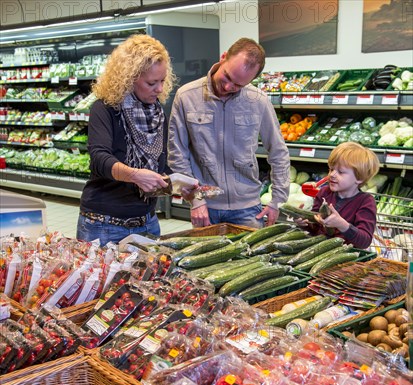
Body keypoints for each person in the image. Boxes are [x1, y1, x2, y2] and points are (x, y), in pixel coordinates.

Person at [168, 37, 290, 229]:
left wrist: (277, 200)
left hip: (248, 209)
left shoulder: (258, 101)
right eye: (227, 77)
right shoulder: (186, 96)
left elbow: (278, 151)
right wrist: (195, 199)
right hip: (206, 207)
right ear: (223, 57)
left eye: (238, 85)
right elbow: (177, 154)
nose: (228, 87)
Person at [76, 35, 175, 247]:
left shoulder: (157, 114)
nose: (159, 89)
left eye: (162, 81)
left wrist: (181, 183)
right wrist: (134, 175)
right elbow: (100, 159)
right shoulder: (105, 109)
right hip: (103, 225)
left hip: (147, 223)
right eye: (151, 83)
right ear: (129, 78)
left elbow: (160, 164)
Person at [299, 142, 380, 249]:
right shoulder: (324, 193)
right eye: (331, 169)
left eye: (341, 172)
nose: (332, 175)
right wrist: (304, 223)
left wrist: (342, 224)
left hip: (347, 259)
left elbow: (364, 241)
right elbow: (315, 228)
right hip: (318, 252)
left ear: (359, 178)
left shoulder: (365, 202)